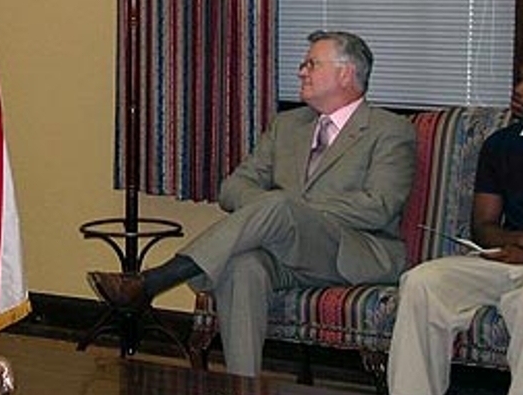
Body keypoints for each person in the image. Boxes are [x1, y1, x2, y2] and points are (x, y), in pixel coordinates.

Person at [88, 30, 417, 377]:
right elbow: (232, 188)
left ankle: (156, 279)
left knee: (279, 206)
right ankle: (242, 385)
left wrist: (293, 210)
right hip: (283, 252)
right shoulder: (288, 126)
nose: (301, 71)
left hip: (351, 251)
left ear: (346, 73)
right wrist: (281, 211)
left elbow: (378, 206)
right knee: (242, 266)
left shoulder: (389, 130)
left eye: (311, 64)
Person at [387, 52, 523, 395]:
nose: (518, 89)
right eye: (520, 79)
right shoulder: (502, 144)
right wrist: (521, 244)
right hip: (510, 257)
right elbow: (483, 226)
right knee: (422, 281)